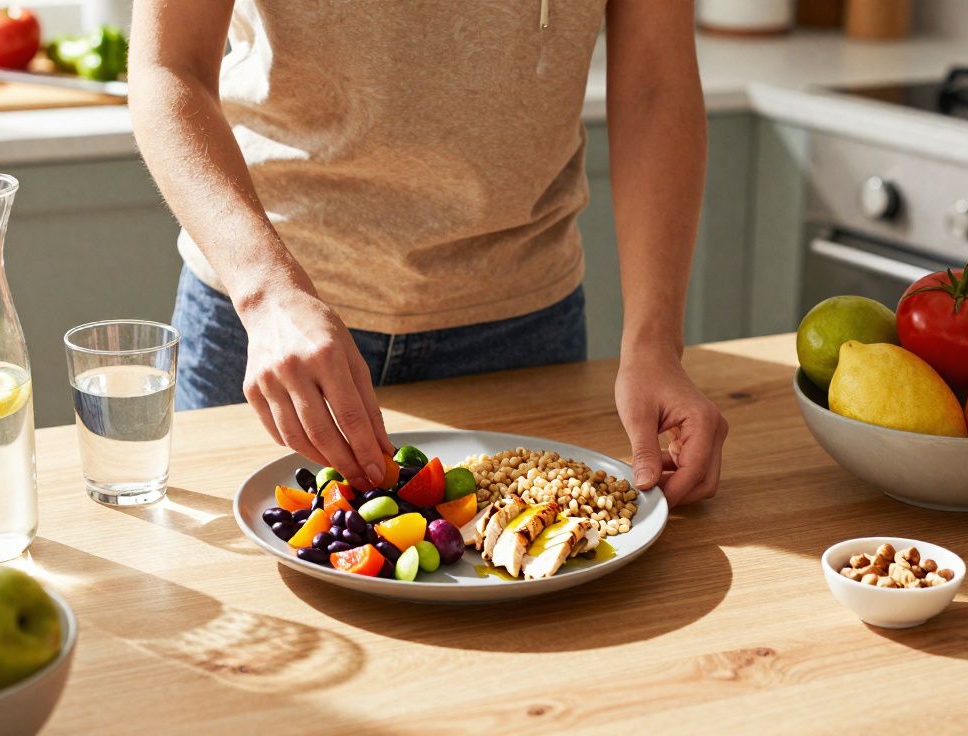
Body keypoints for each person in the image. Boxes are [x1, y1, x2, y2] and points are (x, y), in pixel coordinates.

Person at [130, 1, 727, 506]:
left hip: (519, 337)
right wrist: (266, 292)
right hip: (270, 332)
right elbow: (168, 64)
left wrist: (655, 344)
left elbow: (656, 82)